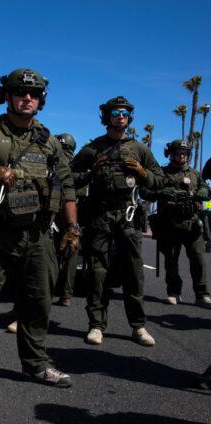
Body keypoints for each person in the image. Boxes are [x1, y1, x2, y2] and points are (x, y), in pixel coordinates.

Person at [0, 68, 80, 405]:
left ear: (41, 100)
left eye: (33, 94)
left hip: (38, 237)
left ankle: (36, 365)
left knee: (38, 303)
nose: (27, 98)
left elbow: (66, 188)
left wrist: (73, 228)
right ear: (6, 95)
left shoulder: (49, 141)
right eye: (20, 92)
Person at [71, 96, 166, 347]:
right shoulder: (93, 149)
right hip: (100, 216)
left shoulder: (139, 149)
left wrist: (143, 174)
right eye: (116, 112)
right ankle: (96, 326)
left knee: (133, 272)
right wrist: (92, 172)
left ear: (129, 118)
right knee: (97, 273)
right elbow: (69, 177)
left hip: (128, 216)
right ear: (107, 117)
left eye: (125, 113)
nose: (121, 116)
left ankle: (138, 326)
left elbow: (160, 181)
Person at [140, 140, 211, 308]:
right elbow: (145, 191)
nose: (183, 155)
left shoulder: (194, 174)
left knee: (198, 260)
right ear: (170, 154)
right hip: (169, 225)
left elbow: (206, 190)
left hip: (192, 224)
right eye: (179, 152)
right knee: (171, 261)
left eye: (185, 153)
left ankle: (202, 295)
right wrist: (160, 192)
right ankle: (173, 292)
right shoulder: (161, 174)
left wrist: (203, 192)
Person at [53, 133, 86, 306]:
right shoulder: (79, 167)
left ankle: (48, 291)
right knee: (71, 253)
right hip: (74, 215)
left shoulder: (55, 163)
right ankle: (66, 294)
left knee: (50, 253)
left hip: (57, 213)